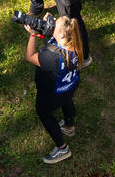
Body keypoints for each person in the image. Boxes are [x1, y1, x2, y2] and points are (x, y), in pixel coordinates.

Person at [25, 15, 86, 164]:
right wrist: (45, 30)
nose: (51, 26)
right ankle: (69, 125)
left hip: (52, 94)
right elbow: (54, 44)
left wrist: (33, 35)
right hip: (70, 85)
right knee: (67, 100)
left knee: (44, 113)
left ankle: (62, 148)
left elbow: (30, 56)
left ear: (61, 34)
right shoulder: (75, 44)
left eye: (54, 26)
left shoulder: (51, 57)